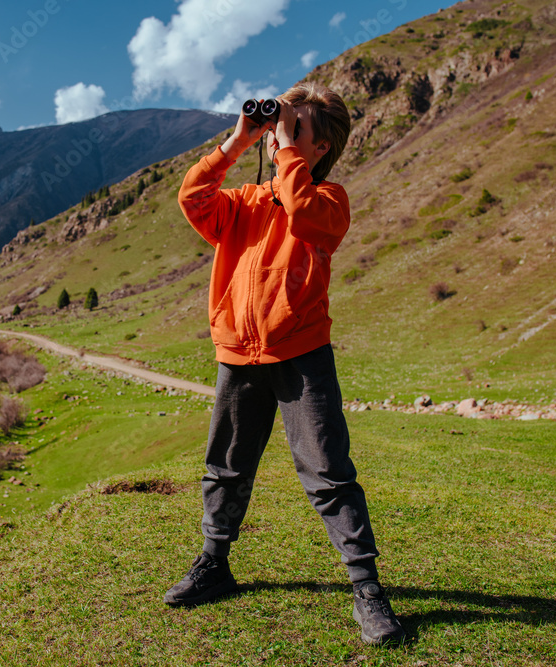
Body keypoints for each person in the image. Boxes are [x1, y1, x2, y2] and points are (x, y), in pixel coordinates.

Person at [164, 82, 406, 646]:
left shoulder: (330, 201)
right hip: (238, 353)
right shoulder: (246, 201)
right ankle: (214, 563)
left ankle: (367, 589)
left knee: (328, 474)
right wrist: (236, 142)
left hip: (302, 355)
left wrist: (287, 150)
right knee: (225, 465)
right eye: (283, 128)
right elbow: (193, 198)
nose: (282, 137)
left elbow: (300, 206)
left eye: (298, 132)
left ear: (320, 148)